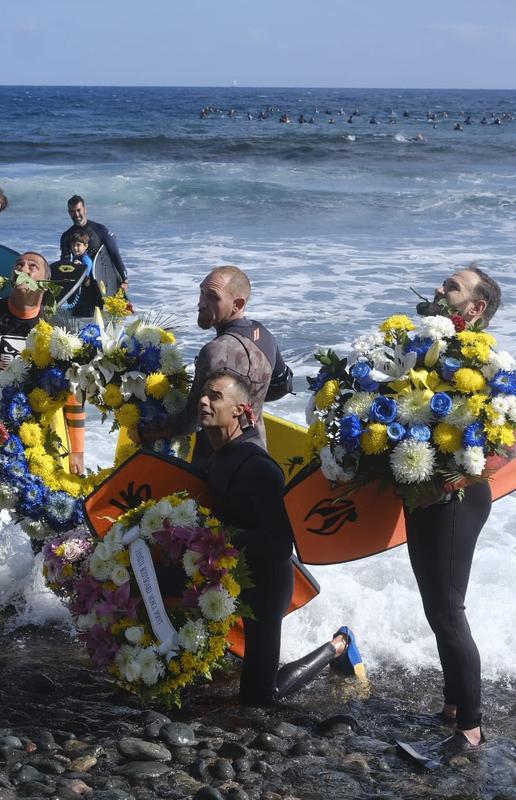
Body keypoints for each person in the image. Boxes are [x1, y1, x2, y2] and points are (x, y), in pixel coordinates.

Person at [198, 370, 357, 706]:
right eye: (202, 394)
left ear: (240, 409)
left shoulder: (258, 468)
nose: (203, 400)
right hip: (231, 575)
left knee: (259, 698)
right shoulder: (216, 455)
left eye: (215, 396)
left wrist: (223, 537)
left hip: (266, 586)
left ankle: (339, 645)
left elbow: (281, 544)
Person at [408, 264, 505, 755]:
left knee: (448, 609)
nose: (440, 289)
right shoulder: (426, 350)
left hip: (457, 498)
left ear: (475, 308)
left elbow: (506, 446)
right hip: (420, 491)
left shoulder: (489, 364)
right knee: (434, 606)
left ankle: (471, 724)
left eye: (452, 287)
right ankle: (451, 703)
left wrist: (451, 481)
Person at [0, 251, 86, 563]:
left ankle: (36, 593)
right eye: (19, 265)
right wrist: (11, 426)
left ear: (46, 284)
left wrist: (78, 451)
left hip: (44, 435)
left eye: (33, 266)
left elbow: (74, 393)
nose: (24, 269)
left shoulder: (60, 330)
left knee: (42, 515)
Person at [141, 265, 292, 463]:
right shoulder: (264, 335)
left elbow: (190, 421)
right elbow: (283, 385)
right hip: (257, 454)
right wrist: (250, 400)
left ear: (237, 304)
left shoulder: (215, 351)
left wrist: (144, 429)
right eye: (202, 293)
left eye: (213, 297)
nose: (201, 303)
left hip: (218, 463)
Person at [58, 195, 127, 302]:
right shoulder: (66, 236)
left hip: (106, 283)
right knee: (84, 318)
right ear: (68, 212)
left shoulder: (100, 230)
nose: (76, 214)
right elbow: (65, 264)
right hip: (84, 286)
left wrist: (124, 280)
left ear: (85, 209)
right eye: (72, 211)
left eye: (78, 210)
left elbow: (115, 255)